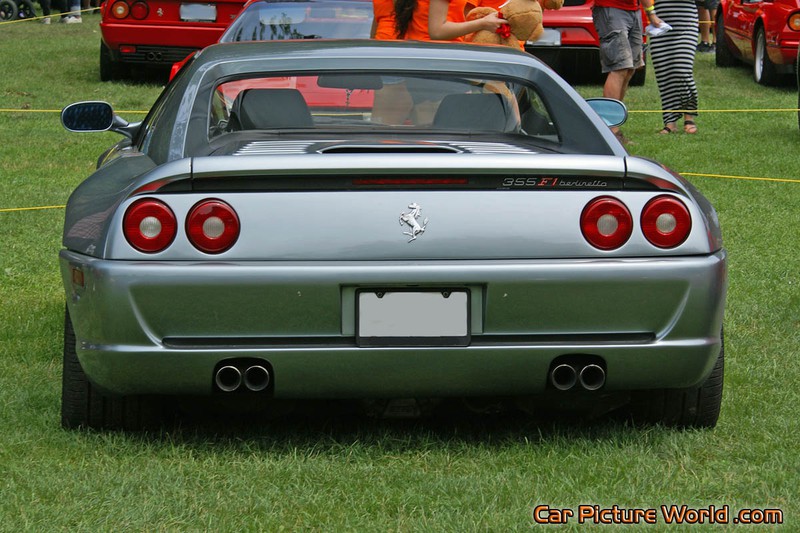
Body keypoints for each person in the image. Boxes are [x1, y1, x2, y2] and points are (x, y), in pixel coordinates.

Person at [592, 0, 663, 144]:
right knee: (619, 68)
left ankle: (612, 123)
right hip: (611, 9)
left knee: (630, 69)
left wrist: (649, 11)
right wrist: (652, 13)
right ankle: (610, 129)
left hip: (634, 10)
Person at [649, 0, 700, 133]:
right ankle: (670, 122)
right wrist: (651, 13)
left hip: (686, 26)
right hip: (659, 25)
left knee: (682, 70)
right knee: (664, 74)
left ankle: (689, 115)